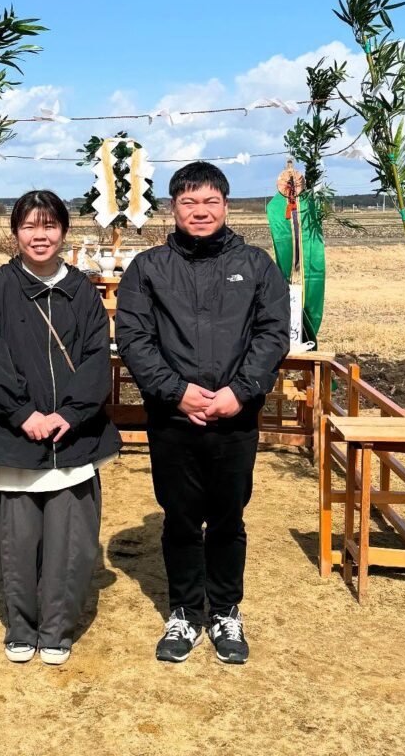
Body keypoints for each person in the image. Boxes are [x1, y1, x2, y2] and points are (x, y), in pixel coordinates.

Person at [115, 161, 289, 665]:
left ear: (226, 206)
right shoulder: (148, 268)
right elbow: (134, 338)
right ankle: (186, 612)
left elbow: (272, 333)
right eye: (188, 202)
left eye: (210, 201)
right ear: (173, 208)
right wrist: (176, 392)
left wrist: (241, 390)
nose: (200, 210)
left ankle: (226, 610)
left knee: (229, 518)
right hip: (174, 420)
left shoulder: (256, 265)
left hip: (236, 418)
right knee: (182, 518)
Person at [0, 190, 121, 665]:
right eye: (30, 226)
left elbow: (96, 359)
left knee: (70, 542)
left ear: (63, 231)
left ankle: (56, 629)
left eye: (49, 225)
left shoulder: (83, 292)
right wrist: (22, 413)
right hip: (11, 436)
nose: (40, 235)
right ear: (16, 233)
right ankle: (21, 626)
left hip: (72, 435)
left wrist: (70, 413)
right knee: (15, 540)